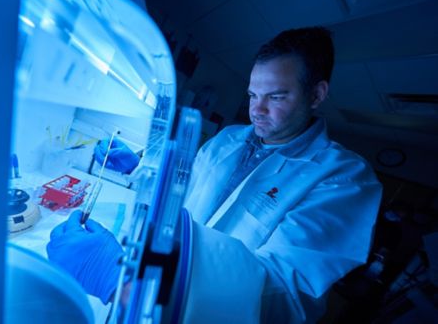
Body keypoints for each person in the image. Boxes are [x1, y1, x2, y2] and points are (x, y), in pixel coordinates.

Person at [47, 26, 382, 323]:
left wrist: (125, 280)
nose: (256, 109)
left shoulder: (344, 178)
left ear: (317, 95)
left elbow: (286, 296)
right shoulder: (228, 139)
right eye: (253, 94)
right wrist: (139, 170)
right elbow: (182, 193)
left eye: (276, 97)